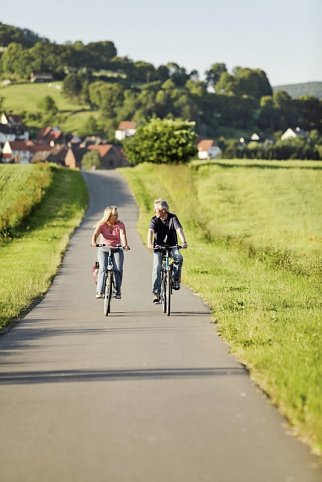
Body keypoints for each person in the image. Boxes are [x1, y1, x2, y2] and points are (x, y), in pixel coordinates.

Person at [147, 199, 188, 303]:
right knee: (157, 267)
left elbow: (179, 230)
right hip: (158, 247)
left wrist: (184, 242)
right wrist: (149, 243)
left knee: (179, 258)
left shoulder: (173, 218)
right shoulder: (154, 220)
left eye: (156, 209)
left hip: (172, 246)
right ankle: (156, 292)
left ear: (163, 210)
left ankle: (175, 279)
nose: (154, 211)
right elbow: (150, 232)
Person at [91, 205, 130, 299]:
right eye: (115, 215)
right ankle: (99, 291)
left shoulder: (120, 224)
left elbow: (123, 235)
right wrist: (93, 242)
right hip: (103, 249)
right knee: (103, 268)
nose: (117, 216)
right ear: (109, 216)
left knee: (118, 269)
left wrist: (125, 245)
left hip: (117, 249)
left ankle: (117, 291)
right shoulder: (101, 224)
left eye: (117, 214)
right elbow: (95, 235)